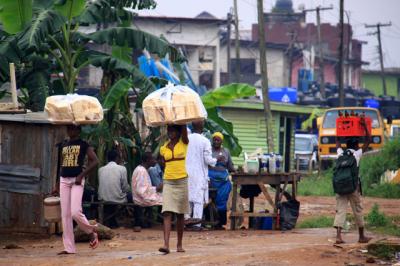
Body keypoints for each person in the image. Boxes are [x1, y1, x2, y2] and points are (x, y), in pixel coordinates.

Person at [57, 125, 99, 254]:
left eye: (73, 129)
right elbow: (60, 165)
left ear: (79, 131)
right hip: (64, 179)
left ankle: (91, 232)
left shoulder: (83, 144)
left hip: (77, 179)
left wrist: (81, 175)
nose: (70, 131)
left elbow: (95, 161)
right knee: (65, 215)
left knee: (75, 212)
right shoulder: (63, 144)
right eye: (68, 129)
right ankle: (69, 248)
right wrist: (56, 183)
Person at [334, 116, 372, 244]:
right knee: (358, 210)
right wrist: (365, 126)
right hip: (353, 187)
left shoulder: (340, 153)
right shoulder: (356, 155)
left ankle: (338, 236)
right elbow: (368, 140)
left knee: (340, 210)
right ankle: (361, 236)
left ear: (346, 145)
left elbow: (337, 141)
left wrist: (340, 127)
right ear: (356, 145)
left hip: (340, 187)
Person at [158, 125, 189, 254]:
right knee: (167, 212)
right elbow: (162, 163)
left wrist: (180, 119)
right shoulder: (163, 147)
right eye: (169, 130)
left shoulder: (184, 142)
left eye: (173, 130)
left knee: (180, 214)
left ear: (178, 132)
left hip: (182, 180)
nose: (171, 133)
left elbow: (184, 128)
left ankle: (179, 244)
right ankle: (166, 244)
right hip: (169, 181)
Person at [185, 120, 217, 231]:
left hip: (187, 172)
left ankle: (186, 221)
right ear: (202, 125)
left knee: (188, 198)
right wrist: (216, 160)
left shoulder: (186, 138)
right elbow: (208, 160)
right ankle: (196, 224)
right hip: (199, 174)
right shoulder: (205, 141)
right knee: (198, 200)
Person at [208, 132, 235, 230]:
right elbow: (205, 163)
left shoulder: (226, 151)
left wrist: (236, 170)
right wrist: (216, 159)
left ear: (221, 141)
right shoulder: (209, 151)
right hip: (211, 179)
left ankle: (220, 223)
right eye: (214, 139)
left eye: (218, 140)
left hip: (223, 181)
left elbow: (230, 166)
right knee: (210, 201)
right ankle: (210, 221)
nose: (216, 141)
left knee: (222, 200)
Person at [98, 149, 130, 228]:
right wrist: (128, 190)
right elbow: (125, 187)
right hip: (117, 198)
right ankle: (138, 222)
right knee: (133, 197)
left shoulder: (100, 169)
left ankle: (111, 221)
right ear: (117, 158)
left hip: (102, 198)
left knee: (111, 197)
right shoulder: (122, 168)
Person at [131, 152, 163, 231]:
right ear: (148, 160)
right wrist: (156, 188)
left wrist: (155, 189)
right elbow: (141, 191)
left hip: (141, 197)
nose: (155, 161)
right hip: (140, 199)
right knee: (167, 200)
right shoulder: (141, 171)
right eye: (153, 159)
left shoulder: (142, 170)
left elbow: (144, 188)